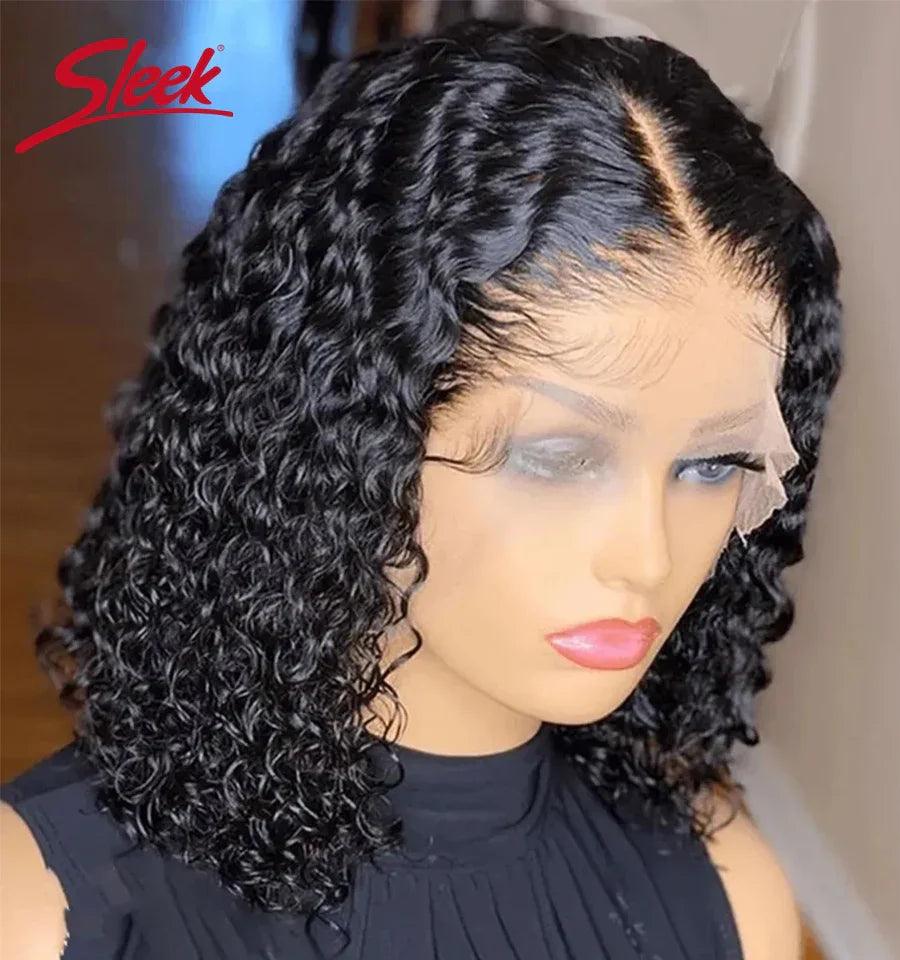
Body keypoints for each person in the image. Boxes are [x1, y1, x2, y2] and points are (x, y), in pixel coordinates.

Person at [0, 18, 843, 960]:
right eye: (560, 457)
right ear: (341, 418)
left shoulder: (727, 891)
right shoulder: (46, 908)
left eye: (712, 465)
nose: (647, 557)